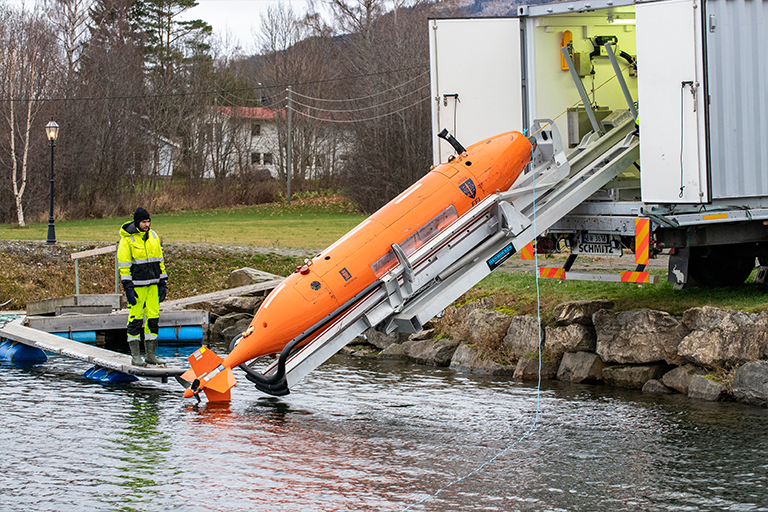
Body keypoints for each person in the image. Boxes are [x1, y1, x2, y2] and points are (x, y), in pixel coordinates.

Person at [118, 207, 168, 366]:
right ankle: (135, 356)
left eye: (148, 221)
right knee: (135, 320)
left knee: (153, 319)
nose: (147, 224)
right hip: (137, 286)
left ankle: (150, 355)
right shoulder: (127, 240)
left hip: (153, 285)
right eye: (144, 221)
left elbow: (160, 261)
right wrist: (128, 287)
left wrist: (163, 282)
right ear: (137, 222)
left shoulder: (154, 236)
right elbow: (124, 266)